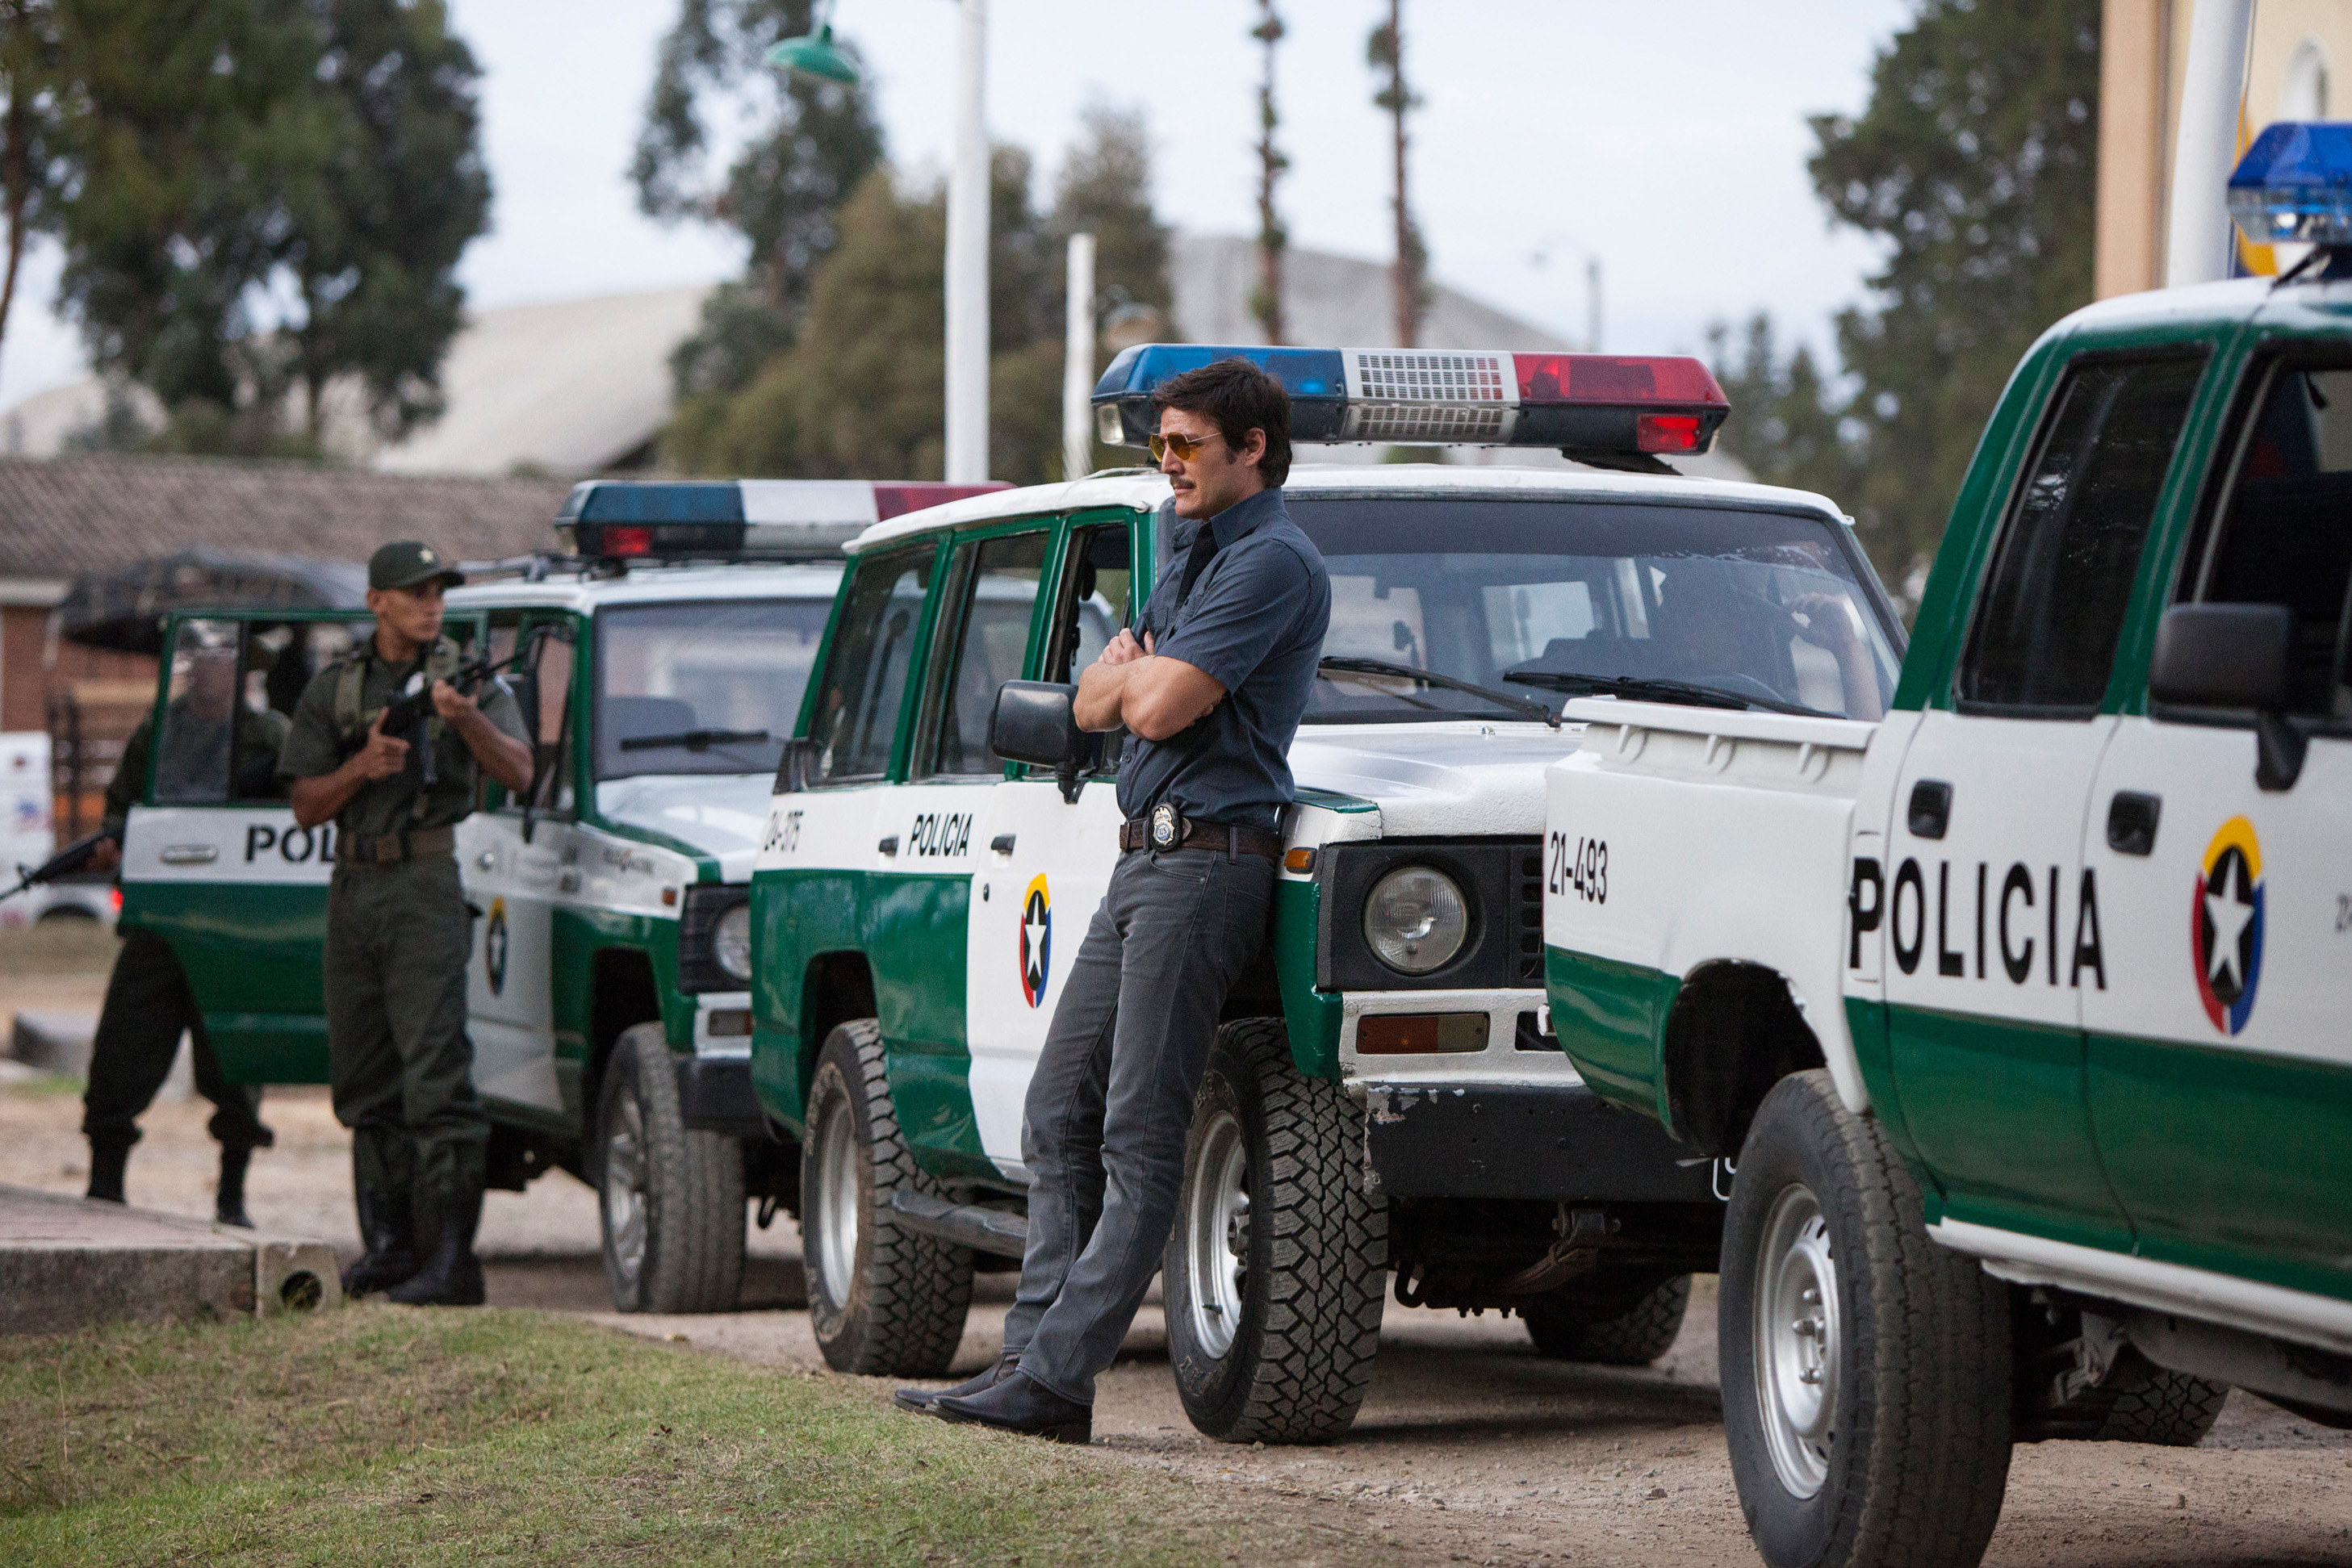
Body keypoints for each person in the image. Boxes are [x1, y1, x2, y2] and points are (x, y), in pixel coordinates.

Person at [905, 358, 1331, 1441]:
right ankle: (1031, 1369)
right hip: (1144, 859)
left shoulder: (1274, 559)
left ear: (1252, 449)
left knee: (1140, 1139)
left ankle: (1050, 1379)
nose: (1168, 462)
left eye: (1187, 445)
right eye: (1161, 445)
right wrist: (1125, 678)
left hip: (1205, 863)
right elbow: (1098, 693)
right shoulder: (1189, 548)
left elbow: (1156, 701)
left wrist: (1135, 679)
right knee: (1059, 1107)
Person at [279, 541, 533, 1307]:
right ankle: (389, 1247)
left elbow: (520, 771)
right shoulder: (337, 689)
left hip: (424, 880)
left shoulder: (466, 679)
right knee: (363, 1073)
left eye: (438, 592)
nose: (431, 604)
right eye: (414, 592)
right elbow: (304, 805)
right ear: (376, 601)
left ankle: (452, 1260)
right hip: (353, 883)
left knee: (436, 1073)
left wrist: (463, 721)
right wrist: (361, 766)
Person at [82, 641, 284, 1224]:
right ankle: (105, 1182)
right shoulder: (159, 732)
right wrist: (112, 843)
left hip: (234, 917)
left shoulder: (269, 735)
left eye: (224, 657)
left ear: (243, 669)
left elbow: (299, 803)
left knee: (234, 1060)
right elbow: (121, 807)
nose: (209, 668)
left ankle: (232, 1195)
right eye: (200, 656)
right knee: (125, 1043)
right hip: (164, 913)